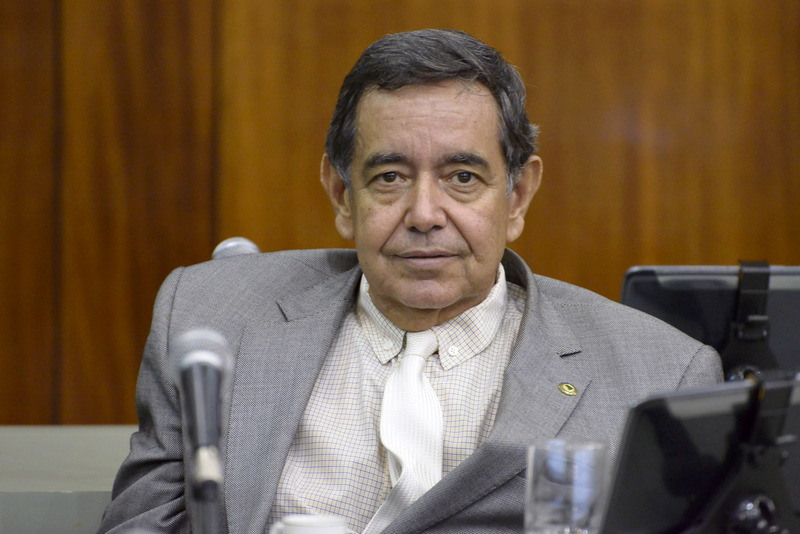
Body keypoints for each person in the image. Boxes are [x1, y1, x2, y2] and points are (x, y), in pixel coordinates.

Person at [99, 29, 722, 533]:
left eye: (462, 178)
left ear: (517, 195)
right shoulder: (211, 320)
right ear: (342, 194)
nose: (424, 214)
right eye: (390, 177)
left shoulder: (655, 375)